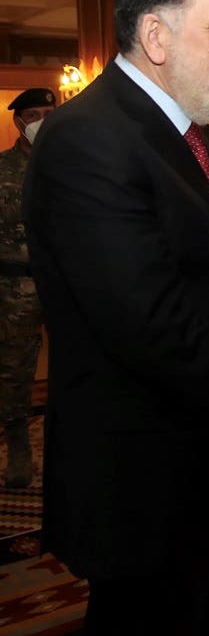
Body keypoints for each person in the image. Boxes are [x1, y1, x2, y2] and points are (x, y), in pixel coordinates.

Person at [22, 0, 209, 635]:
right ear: (156, 35)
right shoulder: (86, 138)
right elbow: (154, 329)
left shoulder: (196, 138)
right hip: (141, 484)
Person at [0, 87, 55, 488]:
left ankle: (74, 442)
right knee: (13, 370)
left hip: (66, 284)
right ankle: (19, 445)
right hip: (14, 285)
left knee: (80, 365)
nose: (42, 121)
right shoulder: (2, 168)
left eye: (50, 113)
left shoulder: (71, 164)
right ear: (19, 121)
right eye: (34, 114)